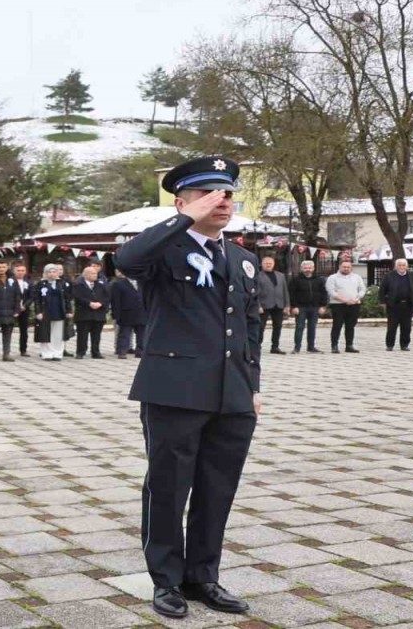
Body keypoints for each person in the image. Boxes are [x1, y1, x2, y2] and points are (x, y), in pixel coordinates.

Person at [114, 156, 261, 620]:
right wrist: (183, 222)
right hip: (175, 389)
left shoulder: (243, 258)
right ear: (181, 202)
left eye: (228, 193)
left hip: (231, 392)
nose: (222, 201)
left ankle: (203, 576)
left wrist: (252, 385)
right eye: (208, 193)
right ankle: (166, 580)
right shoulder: (164, 250)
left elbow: (250, 327)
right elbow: (126, 259)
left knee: (217, 487)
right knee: (168, 487)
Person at [380, 258, 413, 351]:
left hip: (408, 305)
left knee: (406, 327)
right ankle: (390, 345)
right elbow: (382, 290)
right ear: (396, 266)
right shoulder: (389, 276)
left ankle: (404, 345)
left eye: (403, 265)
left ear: (407, 266)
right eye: (399, 265)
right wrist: (383, 302)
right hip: (393, 306)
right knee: (392, 327)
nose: (401, 267)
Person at [32, 264, 71, 361]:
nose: (52, 274)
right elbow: (37, 299)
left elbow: (67, 298)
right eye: (49, 272)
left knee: (58, 334)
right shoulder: (41, 284)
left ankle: (57, 353)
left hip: (59, 310)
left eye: (54, 272)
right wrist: (38, 312)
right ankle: (47, 353)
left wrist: (69, 310)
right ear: (45, 273)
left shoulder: (61, 283)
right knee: (46, 333)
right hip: (46, 311)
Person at [325, 260, 365, 354]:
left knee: (350, 326)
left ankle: (349, 345)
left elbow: (362, 289)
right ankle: (334, 346)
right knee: (337, 325)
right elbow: (331, 292)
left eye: (348, 267)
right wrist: (345, 300)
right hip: (338, 305)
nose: (346, 268)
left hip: (354, 304)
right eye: (344, 267)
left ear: (351, 268)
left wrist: (356, 298)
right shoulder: (332, 278)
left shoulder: (357, 277)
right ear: (339, 267)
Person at [288, 260, 327, 353]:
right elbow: (291, 294)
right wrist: (294, 306)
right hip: (301, 308)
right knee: (299, 327)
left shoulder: (319, 280)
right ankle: (297, 348)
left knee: (312, 328)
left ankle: (311, 347)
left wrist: (323, 306)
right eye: (305, 268)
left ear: (313, 268)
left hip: (315, 307)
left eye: (309, 268)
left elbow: (324, 293)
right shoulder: (295, 280)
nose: (307, 270)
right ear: (301, 269)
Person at [71, 265, 109, 359]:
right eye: (92, 273)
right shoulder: (78, 285)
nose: (95, 275)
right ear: (86, 274)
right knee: (82, 335)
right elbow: (78, 297)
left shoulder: (101, 285)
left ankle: (95, 352)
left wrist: (100, 303)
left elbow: (106, 297)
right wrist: (89, 303)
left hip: (98, 314)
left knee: (96, 335)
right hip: (84, 313)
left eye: (96, 273)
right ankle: (81, 352)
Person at [255, 256, 289, 354]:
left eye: (270, 263)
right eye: (266, 263)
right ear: (262, 264)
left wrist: (287, 305)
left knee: (278, 326)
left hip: (278, 305)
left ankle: (275, 347)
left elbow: (285, 291)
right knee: (260, 327)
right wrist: (258, 305)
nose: (268, 265)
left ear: (273, 264)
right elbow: (255, 292)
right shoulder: (257, 275)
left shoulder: (281, 275)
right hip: (264, 305)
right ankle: (257, 346)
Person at [109, 268, 145, 359]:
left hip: (141, 313)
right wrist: (116, 314)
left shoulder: (142, 283)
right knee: (125, 334)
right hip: (126, 313)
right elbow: (116, 301)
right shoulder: (119, 284)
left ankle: (140, 351)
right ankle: (122, 351)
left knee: (142, 334)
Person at [13, 264, 32, 356]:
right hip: (12, 309)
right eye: (18, 270)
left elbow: (32, 296)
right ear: (14, 271)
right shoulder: (10, 281)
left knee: (24, 330)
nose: (20, 272)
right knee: (7, 329)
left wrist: (25, 305)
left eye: (22, 270)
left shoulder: (29, 282)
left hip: (24, 309)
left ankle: (23, 349)